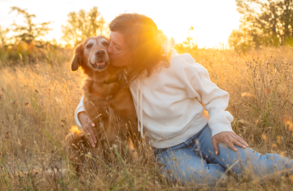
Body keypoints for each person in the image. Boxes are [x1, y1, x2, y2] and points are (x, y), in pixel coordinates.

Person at [74, 13, 293, 187]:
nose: (107, 51)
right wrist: (81, 114)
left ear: (136, 50)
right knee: (203, 180)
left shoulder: (176, 65)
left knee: (256, 168)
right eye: (110, 42)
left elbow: (214, 94)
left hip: (204, 134)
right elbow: (96, 96)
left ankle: (250, 168)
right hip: (169, 150)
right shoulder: (121, 74)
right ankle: (227, 172)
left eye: (115, 47)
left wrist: (220, 127)